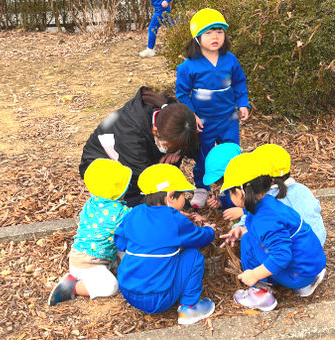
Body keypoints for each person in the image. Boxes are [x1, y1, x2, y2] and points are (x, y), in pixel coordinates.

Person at [219, 153, 326, 311]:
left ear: (240, 192)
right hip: (311, 265)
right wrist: (241, 229)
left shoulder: (263, 220)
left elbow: (282, 255)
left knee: (249, 241)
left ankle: (260, 293)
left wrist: (254, 274)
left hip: (298, 274)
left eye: (229, 192)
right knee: (248, 235)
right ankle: (306, 284)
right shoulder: (269, 202)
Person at [114, 163, 216, 325]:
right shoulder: (174, 219)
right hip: (159, 299)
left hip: (128, 291)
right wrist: (210, 230)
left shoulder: (134, 213)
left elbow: (120, 242)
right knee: (193, 255)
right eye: (183, 195)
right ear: (171, 196)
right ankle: (190, 306)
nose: (185, 200)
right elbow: (201, 238)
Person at [175, 8, 250, 208]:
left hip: (228, 119)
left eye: (219, 31)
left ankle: (234, 189)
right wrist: (192, 115)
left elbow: (239, 83)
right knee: (204, 155)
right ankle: (202, 188)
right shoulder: (188, 66)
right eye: (208, 32)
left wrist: (242, 103)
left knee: (231, 154)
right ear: (197, 37)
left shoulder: (230, 60)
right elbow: (182, 94)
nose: (215, 36)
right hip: (204, 122)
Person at [79, 86, 199, 207]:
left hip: (142, 154)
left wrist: (177, 152)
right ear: (155, 131)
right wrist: (176, 206)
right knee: (134, 199)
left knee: (170, 162)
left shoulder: (176, 118)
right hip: (104, 163)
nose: (172, 150)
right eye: (169, 146)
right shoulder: (131, 134)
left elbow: (192, 148)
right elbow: (148, 179)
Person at [48, 159, 133, 306]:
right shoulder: (122, 213)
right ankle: (71, 287)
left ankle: (112, 266)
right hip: (88, 264)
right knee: (111, 287)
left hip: (85, 254)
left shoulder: (92, 202)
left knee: (125, 250)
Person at [229, 144, 327, 246]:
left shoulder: (268, 198)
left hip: (293, 251)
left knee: (250, 242)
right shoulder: (301, 188)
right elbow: (316, 208)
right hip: (318, 242)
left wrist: (241, 227)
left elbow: (258, 218)